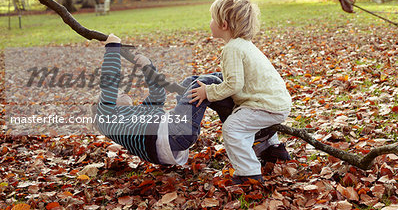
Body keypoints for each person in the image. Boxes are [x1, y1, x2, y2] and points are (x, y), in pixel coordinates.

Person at [94, 34, 290, 168]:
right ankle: (255, 120)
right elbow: (109, 83)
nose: (122, 91)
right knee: (206, 83)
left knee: (192, 83)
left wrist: (147, 68)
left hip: (172, 140)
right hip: (171, 135)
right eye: (117, 94)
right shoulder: (107, 117)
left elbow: (158, 96)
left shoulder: (135, 118)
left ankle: (264, 143)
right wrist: (112, 48)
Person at [190, 0, 292, 184]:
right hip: (276, 102)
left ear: (224, 25)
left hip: (264, 104)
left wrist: (208, 92)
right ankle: (274, 149)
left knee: (232, 128)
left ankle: (249, 173)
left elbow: (233, 84)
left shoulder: (232, 48)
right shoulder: (244, 45)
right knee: (246, 117)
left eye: (213, 18)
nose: (210, 22)